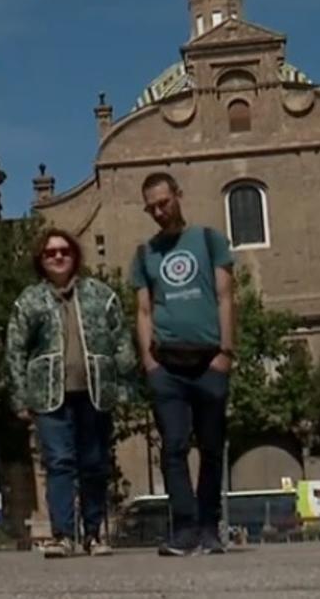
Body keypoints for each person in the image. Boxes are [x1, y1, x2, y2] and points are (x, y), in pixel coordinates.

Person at [6, 229, 136, 558]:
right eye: (50, 253)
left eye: (64, 250)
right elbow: (15, 350)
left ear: (75, 255)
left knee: (94, 463)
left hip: (95, 392)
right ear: (41, 260)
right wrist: (20, 397)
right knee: (59, 463)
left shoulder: (101, 295)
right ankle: (62, 534)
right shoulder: (29, 300)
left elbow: (122, 341)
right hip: (49, 395)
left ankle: (93, 534)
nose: (58, 257)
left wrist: (124, 387)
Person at [132, 172, 235, 557]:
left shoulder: (208, 241)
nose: (159, 211)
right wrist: (148, 362)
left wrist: (226, 352)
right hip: (167, 366)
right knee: (173, 448)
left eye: (164, 202)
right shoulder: (145, 254)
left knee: (211, 446)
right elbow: (143, 310)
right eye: (152, 207)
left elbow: (226, 297)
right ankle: (186, 529)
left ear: (178, 195)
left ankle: (210, 527)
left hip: (209, 360)